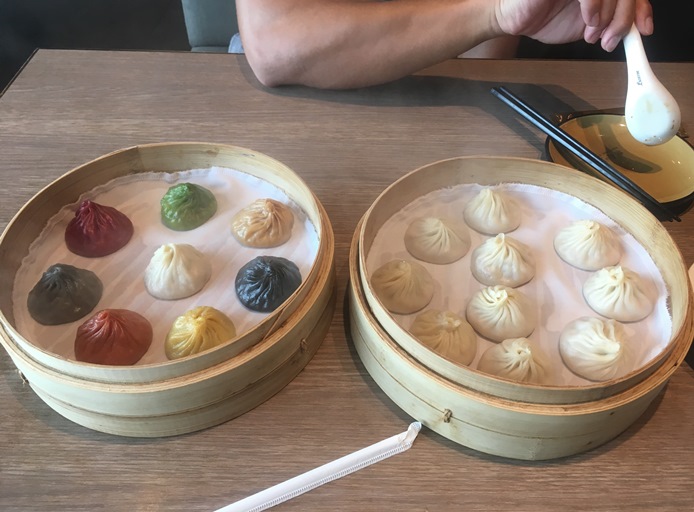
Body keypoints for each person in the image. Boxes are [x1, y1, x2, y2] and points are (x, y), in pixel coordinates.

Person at [235, 0, 654, 89]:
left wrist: (501, 17)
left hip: (454, 94)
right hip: (284, 106)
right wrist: (493, 14)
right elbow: (278, 47)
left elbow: (483, 57)